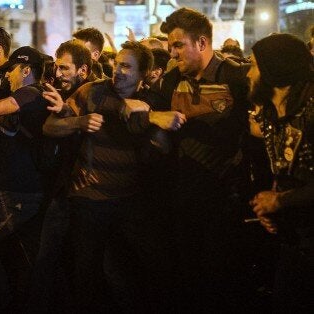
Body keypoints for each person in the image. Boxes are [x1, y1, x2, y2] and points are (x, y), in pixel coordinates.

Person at [131, 7, 258, 311]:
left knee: (224, 281)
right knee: (189, 279)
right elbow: (144, 118)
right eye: (170, 46)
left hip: (226, 199)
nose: (172, 53)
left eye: (177, 45)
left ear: (201, 43)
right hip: (184, 198)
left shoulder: (236, 77)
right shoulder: (172, 79)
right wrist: (155, 118)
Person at [43, 41, 176, 313]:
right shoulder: (92, 91)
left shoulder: (153, 101)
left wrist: (153, 122)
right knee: (87, 273)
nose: (117, 71)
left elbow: (163, 148)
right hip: (90, 199)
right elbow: (49, 127)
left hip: (131, 200)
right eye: (116, 64)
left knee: (142, 268)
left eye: (127, 66)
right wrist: (79, 122)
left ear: (144, 74)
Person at [0, 46, 54, 312]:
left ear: (25, 70)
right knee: (14, 256)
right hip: (21, 188)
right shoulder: (35, 94)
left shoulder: (30, 91)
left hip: (20, 192)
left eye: (11, 70)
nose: (8, 76)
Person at [247, 33, 314, 312]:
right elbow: (283, 167)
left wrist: (282, 201)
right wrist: (272, 207)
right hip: (293, 239)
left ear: (274, 69)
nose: (248, 73)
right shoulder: (272, 115)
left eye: (254, 66)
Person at [26, 40, 94, 312]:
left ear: (84, 70)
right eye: (56, 66)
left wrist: (66, 112)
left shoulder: (94, 95)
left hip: (82, 194)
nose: (58, 73)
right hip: (59, 188)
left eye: (65, 68)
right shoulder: (56, 94)